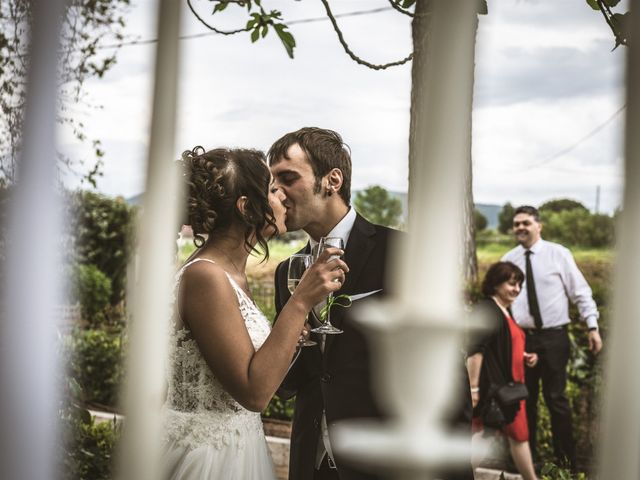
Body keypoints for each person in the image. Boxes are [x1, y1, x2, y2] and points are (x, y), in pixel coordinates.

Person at [269, 127, 473, 480]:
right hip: (313, 464)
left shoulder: (403, 253)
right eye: (272, 183)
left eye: (288, 178)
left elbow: (445, 377)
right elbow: (290, 384)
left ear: (332, 180)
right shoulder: (289, 272)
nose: (276, 193)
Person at [162, 146, 349, 480]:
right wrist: (300, 301)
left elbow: (247, 364)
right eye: (273, 191)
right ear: (247, 207)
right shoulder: (206, 276)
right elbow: (254, 392)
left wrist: (292, 335)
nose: (284, 198)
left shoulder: (231, 273)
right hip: (209, 458)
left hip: (239, 446)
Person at [501, 205, 603, 469]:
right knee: (525, 400)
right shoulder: (508, 260)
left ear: (539, 226)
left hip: (555, 337)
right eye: (517, 224)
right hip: (523, 339)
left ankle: (565, 463)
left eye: (526, 223)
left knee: (556, 399)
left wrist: (592, 327)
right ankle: (529, 462)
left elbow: (580, 292)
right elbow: (502, 302)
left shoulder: (558, 254)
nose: (520, 228)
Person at [467, 261, 539, 480]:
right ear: (496, 283)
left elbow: (505, 345)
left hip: (511, 388)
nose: (516, 289)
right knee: (487, 435)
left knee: (494, 436)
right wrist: (474, 389)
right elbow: (475, 351)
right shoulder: (487, 309)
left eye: (519, 285)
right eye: (511, 284)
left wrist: (524, 355)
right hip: (495, 389)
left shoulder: (504, 310)